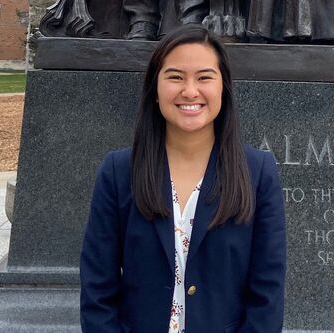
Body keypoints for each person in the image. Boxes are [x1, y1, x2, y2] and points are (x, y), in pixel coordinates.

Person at [80, 24, 286, 333]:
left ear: (223, 88)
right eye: (175, 77)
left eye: (204, 77)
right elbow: (98, 288)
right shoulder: (118, 172)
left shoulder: (257, 172)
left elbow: (267, 293)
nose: (190, 91)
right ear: (155, 89)